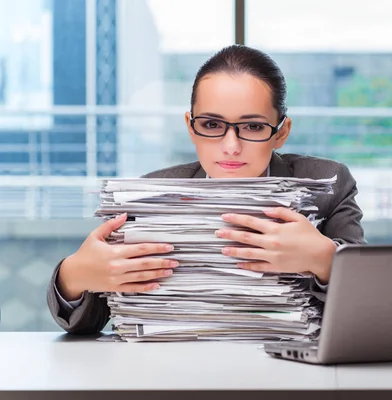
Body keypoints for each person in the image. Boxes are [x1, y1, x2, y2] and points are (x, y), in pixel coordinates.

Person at [47, 44, 366, 334]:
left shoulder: (328, 184)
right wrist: (73, 277)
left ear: (281, 132)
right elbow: (91, 322)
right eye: (212, 125)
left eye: (253, 126)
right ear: (191, 127)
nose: (230, 147)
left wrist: (326, 260)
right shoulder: (151, 194)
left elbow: (369, 308)